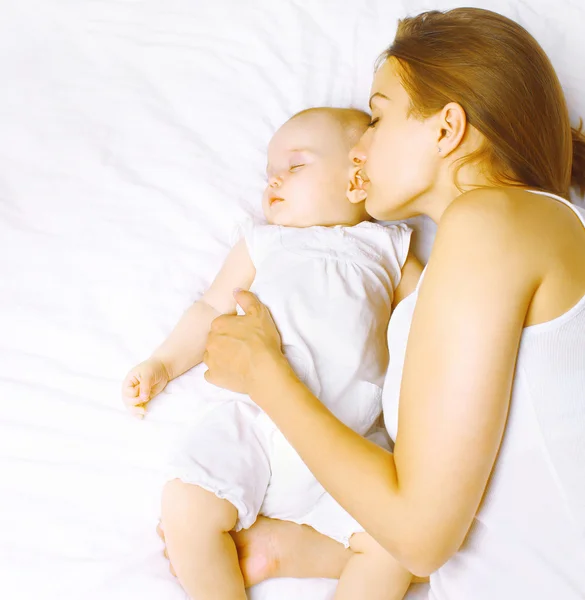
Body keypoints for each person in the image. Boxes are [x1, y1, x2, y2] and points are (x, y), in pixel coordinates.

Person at [169, 7, 585, 600]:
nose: (360, 147)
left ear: (446, 129)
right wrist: (295, 547)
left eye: (378, 116)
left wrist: (266, 375)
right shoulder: (459, 269)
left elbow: (420, 534)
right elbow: (451, 510)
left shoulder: (496, 220)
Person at [123, 107, 423, 599]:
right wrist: (163, 363)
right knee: (184, 505)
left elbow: (432, 317)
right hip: (256, 427)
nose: (274, 181)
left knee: (399, 548)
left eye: (296, 166)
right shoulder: (264, 242)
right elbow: (210, 309)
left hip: (350, 441)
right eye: (269, 174)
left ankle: (294, 553)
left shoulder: (388, 249)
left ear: (356, 177)